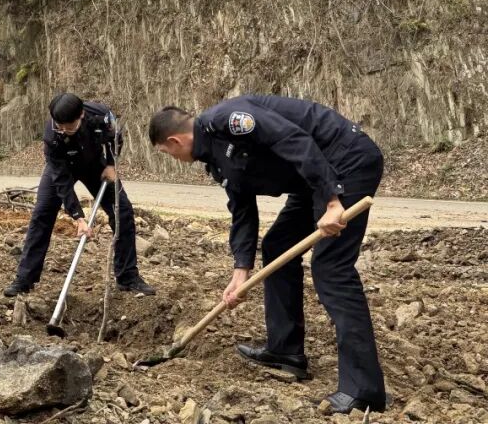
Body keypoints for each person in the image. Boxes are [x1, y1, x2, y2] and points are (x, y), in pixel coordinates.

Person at [148, 96, 388, 414]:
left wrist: (331, 201)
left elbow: (294, 139)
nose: (174, 159)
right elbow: (242, 210)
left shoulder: (229, 121)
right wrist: (240, 272)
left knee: (331, 268)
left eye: (167, 153)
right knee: (278, 246)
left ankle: (364, 390)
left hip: (345, 162)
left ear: (175, 141)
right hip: (312, 178)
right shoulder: (215, 158)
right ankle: (286, 351)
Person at [4, 94, 155, 297]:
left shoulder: (101, 116)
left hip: (94, 165)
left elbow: (115, 137)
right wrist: (78, 217)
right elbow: (61, 180)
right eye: (60, 126)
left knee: (123, 211)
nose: (63, 130)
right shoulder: (52, 135)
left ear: (81, 115)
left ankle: (128, 277)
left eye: (69, 127)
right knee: (42, 214)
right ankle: (24, 279)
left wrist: (111, 164)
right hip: (62, 167)